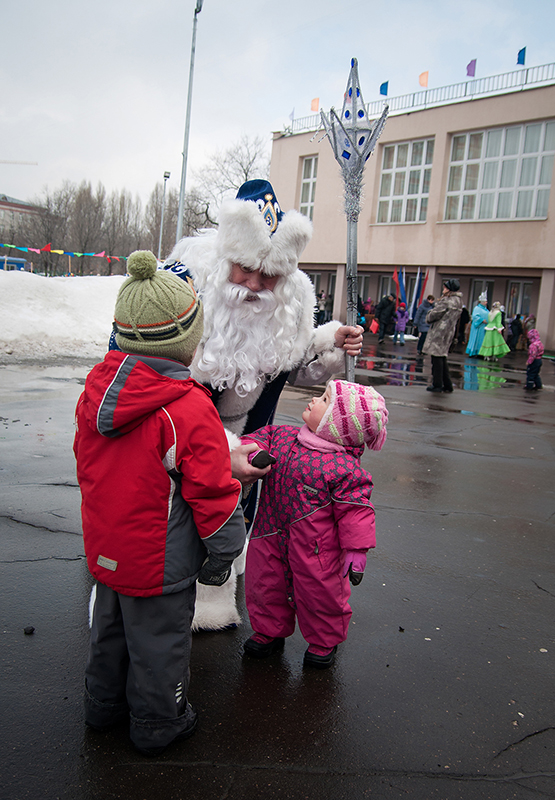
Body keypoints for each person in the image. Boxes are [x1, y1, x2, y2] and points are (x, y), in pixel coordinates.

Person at [160, 179, 364, 630]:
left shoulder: (292, 302)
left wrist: (331, 341)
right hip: (183, 434)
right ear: (224, 259)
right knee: (177, 516)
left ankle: (214, 594)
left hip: (250, 437)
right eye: (244, 270)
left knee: (235, 511)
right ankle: (157, 594)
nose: (253, 286)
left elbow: (293, 366)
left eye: (267, 276)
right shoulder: (185, 286)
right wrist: (214, 448)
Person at [74, 251, 247, 756]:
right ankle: (158, 722)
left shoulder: (97, 390)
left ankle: (101, 706)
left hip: (107, 548)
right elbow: (212, 491)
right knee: (158, 646)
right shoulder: (187, 408)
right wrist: (223, 554)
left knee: (109, 635)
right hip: (159, 559)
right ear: (184, 340)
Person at [241, 380, 388, 669]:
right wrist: (253, 450)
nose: (313, 399)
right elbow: (259, 436)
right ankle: (268, 631)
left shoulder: (345, 469)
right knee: (264, 583)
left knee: (320, 593)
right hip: (269, 532)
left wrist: (357, 550)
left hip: (316, 549)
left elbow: (356, 511)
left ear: (338, 425)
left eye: (324, 400)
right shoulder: (283, 437)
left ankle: (324, 639)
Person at [423, 279, 463, 392]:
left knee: (436, 359)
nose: (443, 289)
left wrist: (430, 314)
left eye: (445, 287)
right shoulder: (458, 301)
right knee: (442, 357)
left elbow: (433, 315)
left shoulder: (447, 301)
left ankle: (437, 384)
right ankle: (447, 384)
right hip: (449, 332)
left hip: (439, 331)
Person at [466, 292, 489, 357]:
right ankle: (473, 351)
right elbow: (475, 317)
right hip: (478, 327)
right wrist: (481, 320)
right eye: (485, 301)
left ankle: (480, 352)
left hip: (483, 328)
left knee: (482, 340)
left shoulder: (486, 309)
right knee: (476, 339)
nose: (486, 303)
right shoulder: (477, 308)